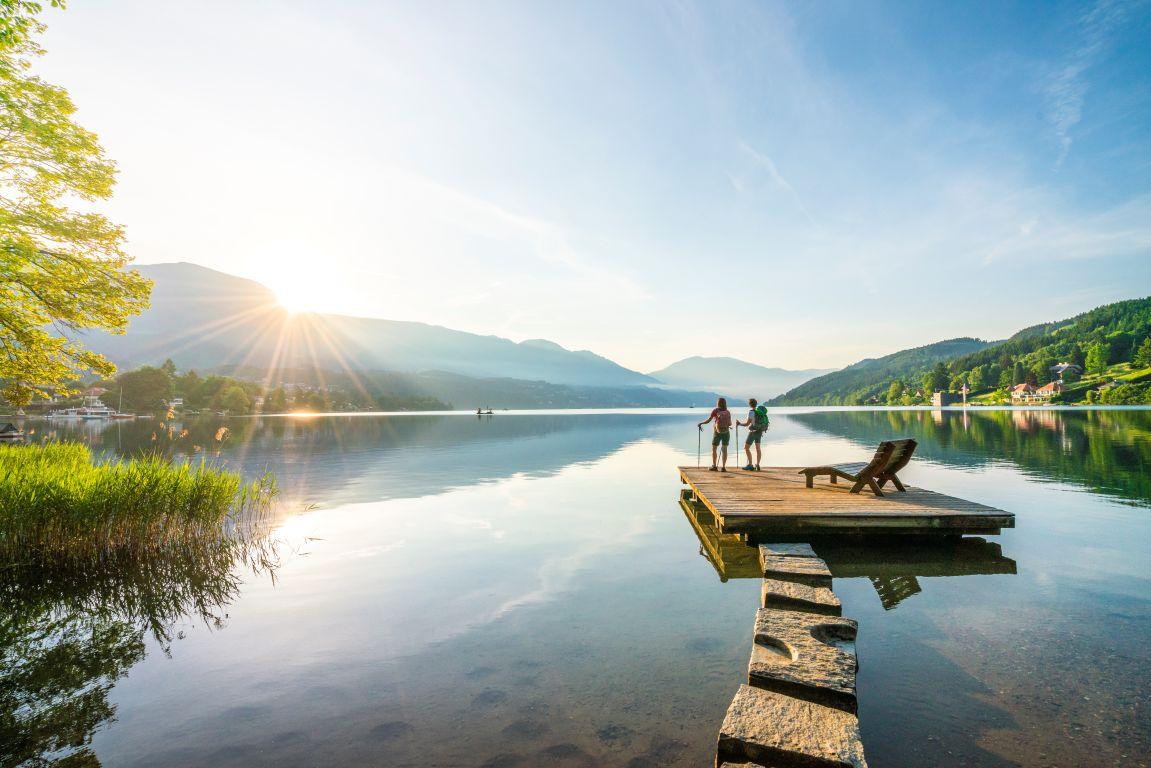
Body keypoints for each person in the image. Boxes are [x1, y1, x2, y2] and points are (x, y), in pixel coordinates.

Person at [698, 397, 733, 471]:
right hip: (726, 432)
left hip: (717, 432)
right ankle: (723, 467)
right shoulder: (727, 412)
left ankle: (714, 466)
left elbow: (709, 420)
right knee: (724, 449)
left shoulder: (715, 410)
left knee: (714, 449)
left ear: (718, 403)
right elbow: (730, 424)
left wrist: (701, 423)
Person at [737, 398, 770, 471]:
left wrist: (739, 424)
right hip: (759, 431)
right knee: (758, 448)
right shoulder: (759, 412)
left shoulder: (751, 412)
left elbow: (747, 424)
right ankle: (757, 465)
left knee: (746, 448)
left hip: (752, 432)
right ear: (756, 403)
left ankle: (750, 465)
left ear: (750, 404)